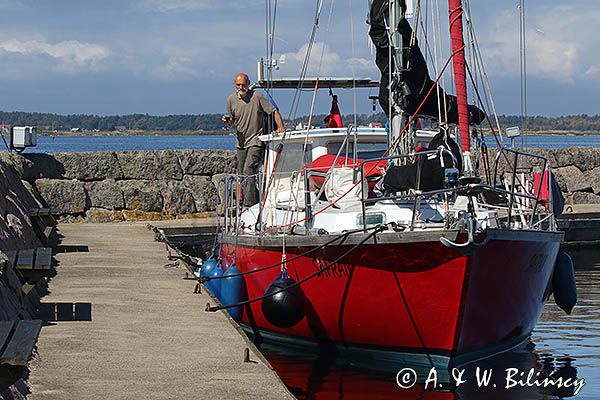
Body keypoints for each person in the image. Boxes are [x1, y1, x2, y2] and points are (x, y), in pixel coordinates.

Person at [222, 72, 285, 207]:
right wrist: (227, 121)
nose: (241, 87)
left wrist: (281, 127)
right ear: (235, 85)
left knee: (249, 169)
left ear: (248, 84)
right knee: (241, 174)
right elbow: (232, 119)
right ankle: (249, 198)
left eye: (243, 84)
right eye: (238, 85)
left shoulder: (257, 97)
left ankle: (249, 204)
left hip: (256, 140)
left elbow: (273, 111)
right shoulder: (231, 99)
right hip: (240, 142)